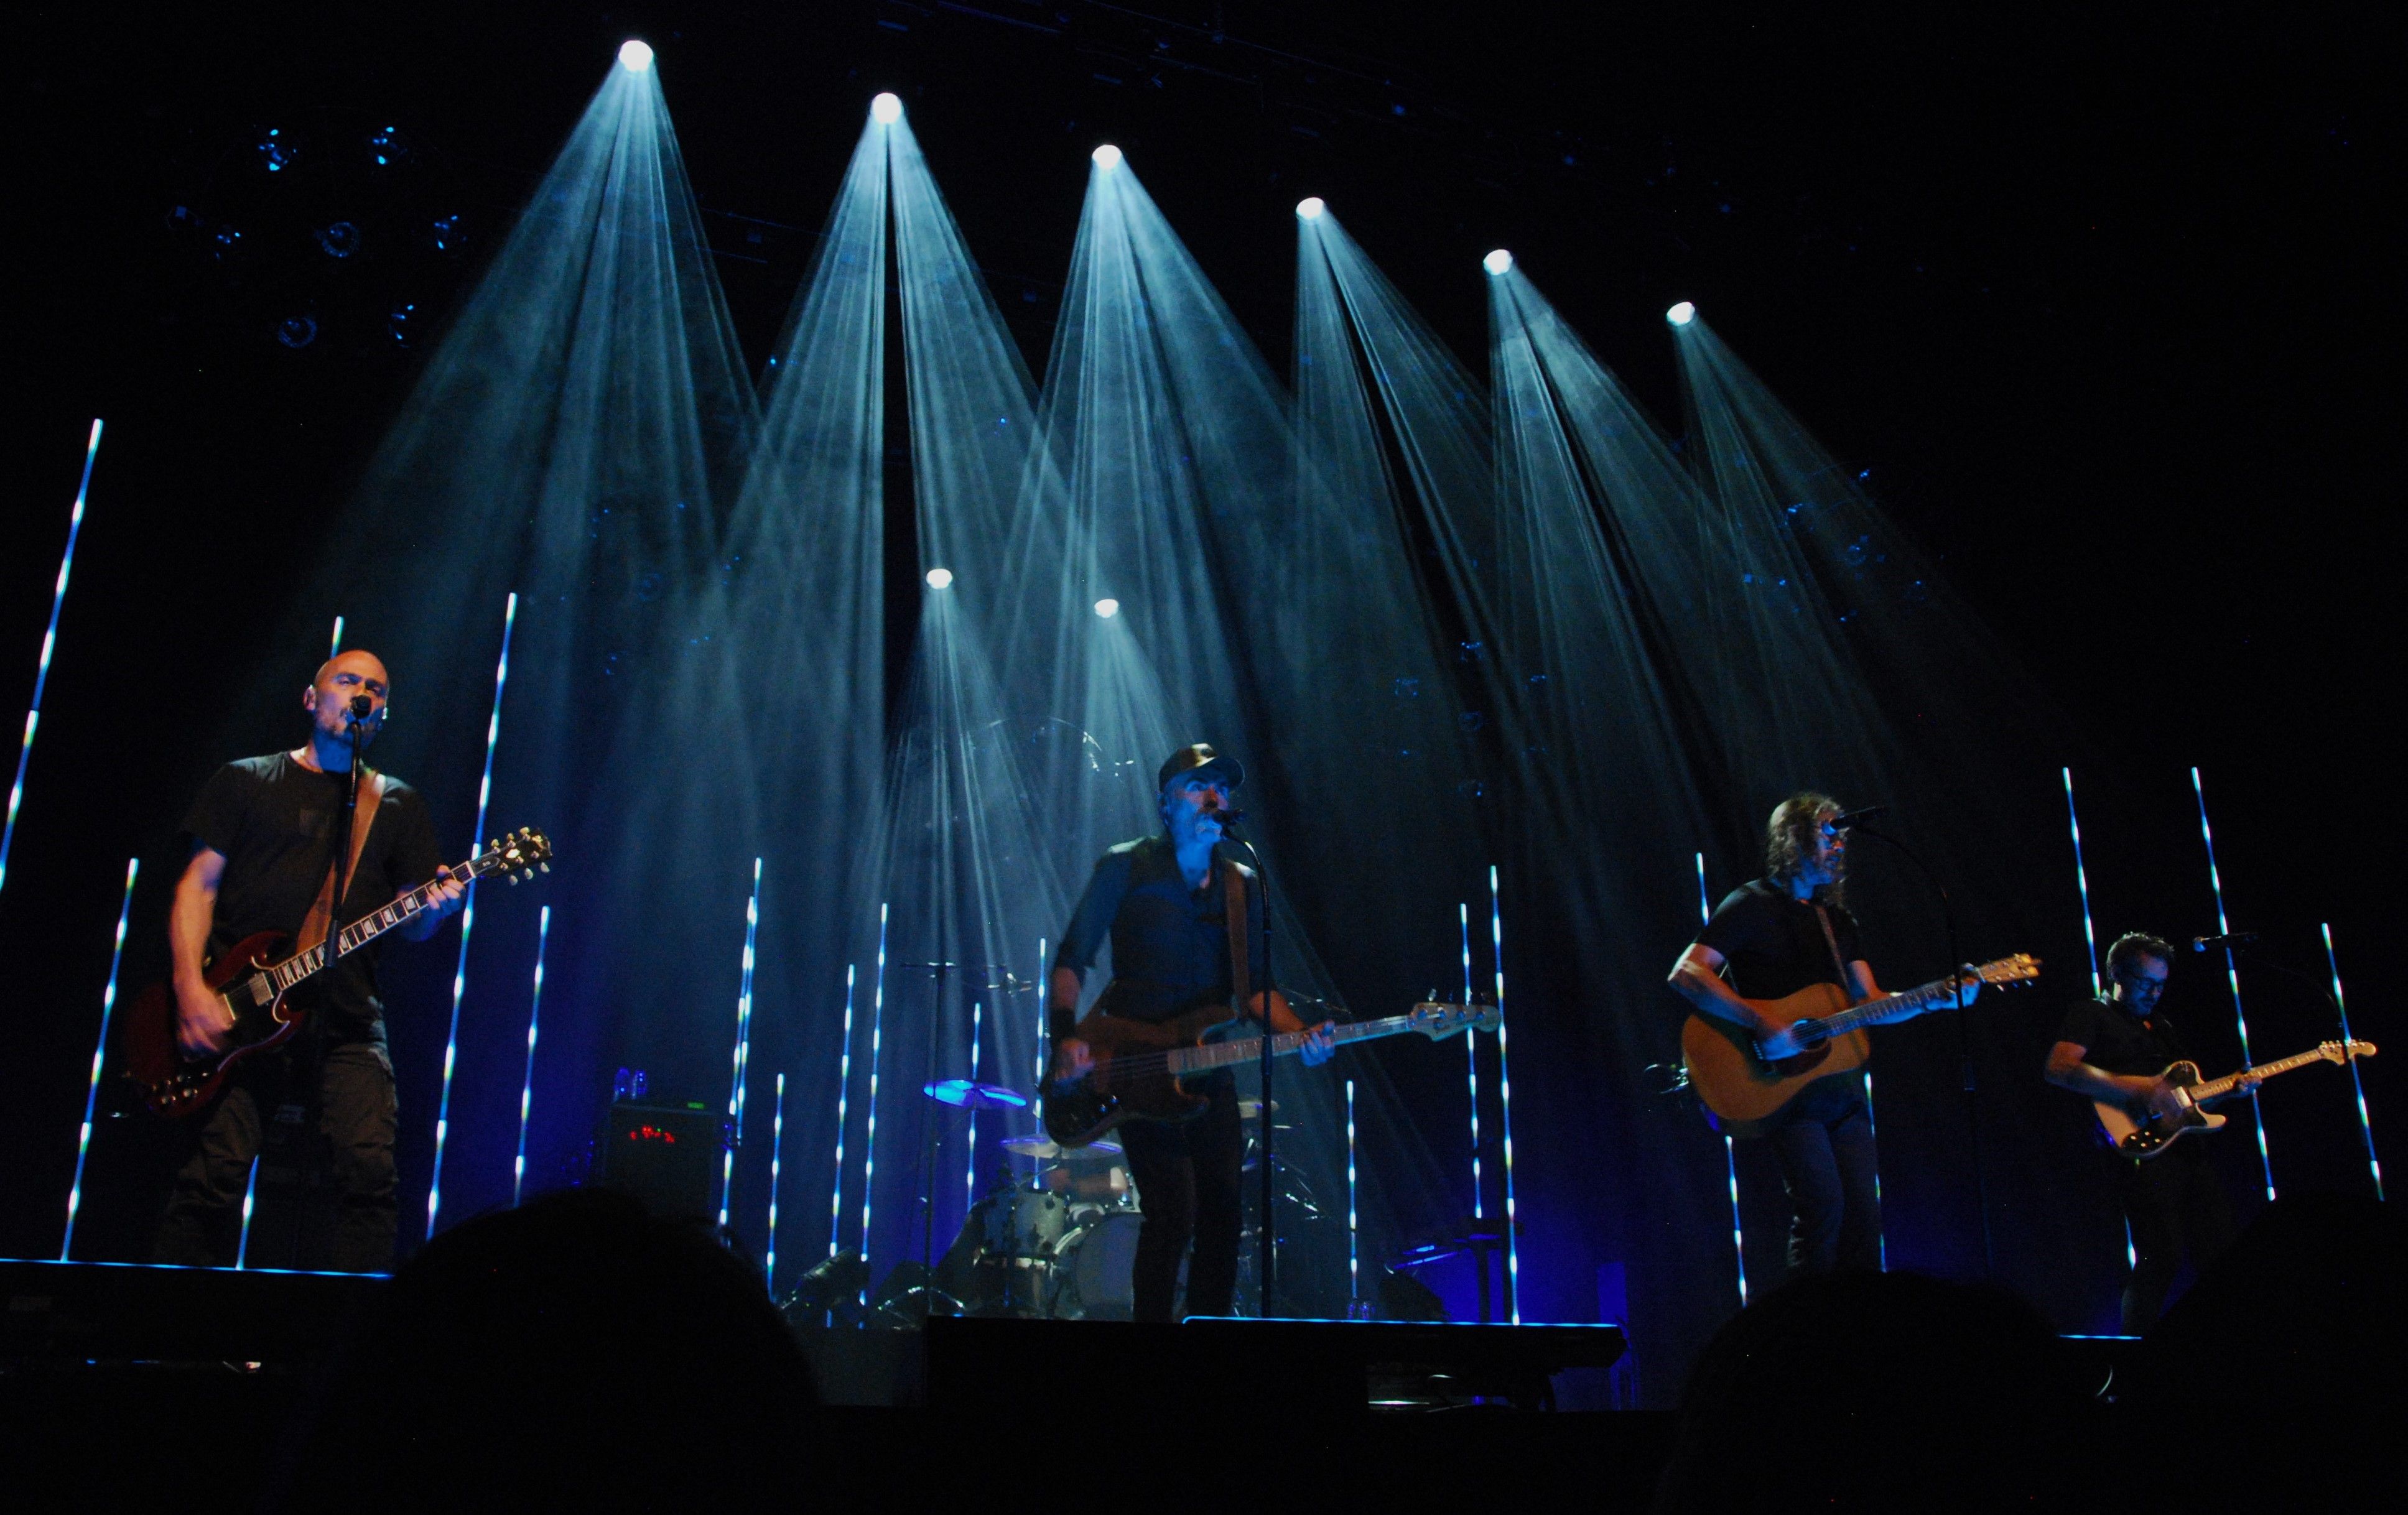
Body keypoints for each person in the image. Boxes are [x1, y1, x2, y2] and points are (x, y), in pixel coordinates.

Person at [154, 649, 464, 1271]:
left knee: (370, 1174)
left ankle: (346, 1339)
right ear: (310, 697)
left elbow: (414, 927)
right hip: (240, 1010)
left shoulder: (398, 804)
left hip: (346, 1018)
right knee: (212, 1178)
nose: (362, 693)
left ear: (381, 715)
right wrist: (191, 989)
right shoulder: (245, 780)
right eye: (347, 680)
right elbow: (197, 887)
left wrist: (436, 905)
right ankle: (174, 1333)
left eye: (376, 688)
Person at [1046, 743, 1334, 1322]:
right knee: (1172, 1214)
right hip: (1132, 1062)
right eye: (1199, 786)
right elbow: (1072, 958)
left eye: (1223, 788)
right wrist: (1064, 1038)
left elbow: (1254, 988)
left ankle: (1207, 1336)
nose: (1215, 796)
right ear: (1167, 805)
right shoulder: (1126, 865)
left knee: (1224, 1214)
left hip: (1205, 1066)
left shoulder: (1242, 883)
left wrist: (1303, 1035)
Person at [1667, 793, 1971, 1279]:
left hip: (1842, 1092)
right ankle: (1807, 1333)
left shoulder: (1837, 922)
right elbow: (1687, 974)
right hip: (1784, 1090)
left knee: (1864, 1217)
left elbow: (1868, 1000)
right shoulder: (1751, 904)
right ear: (1793, 838)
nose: (1838, 847)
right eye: (1827, 835)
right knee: (1822, 1208)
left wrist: (1932, 997)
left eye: (1841, 838)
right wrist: (1760, 1022)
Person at [2043, 932, 2249, 1332]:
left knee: (2220, 1249)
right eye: (2145, 982)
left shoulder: (2161, 1026)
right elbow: (2059, 1068)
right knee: (2163, 1254)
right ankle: (2134, 1353)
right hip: (2138, 1154)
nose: (2155, 992)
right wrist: (2141, 1088)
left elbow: (2182, 1100)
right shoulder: (2090, 1013)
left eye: (2161, 984)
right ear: (2116, 974)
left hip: (2185, 1150)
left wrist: (2230, 1092)